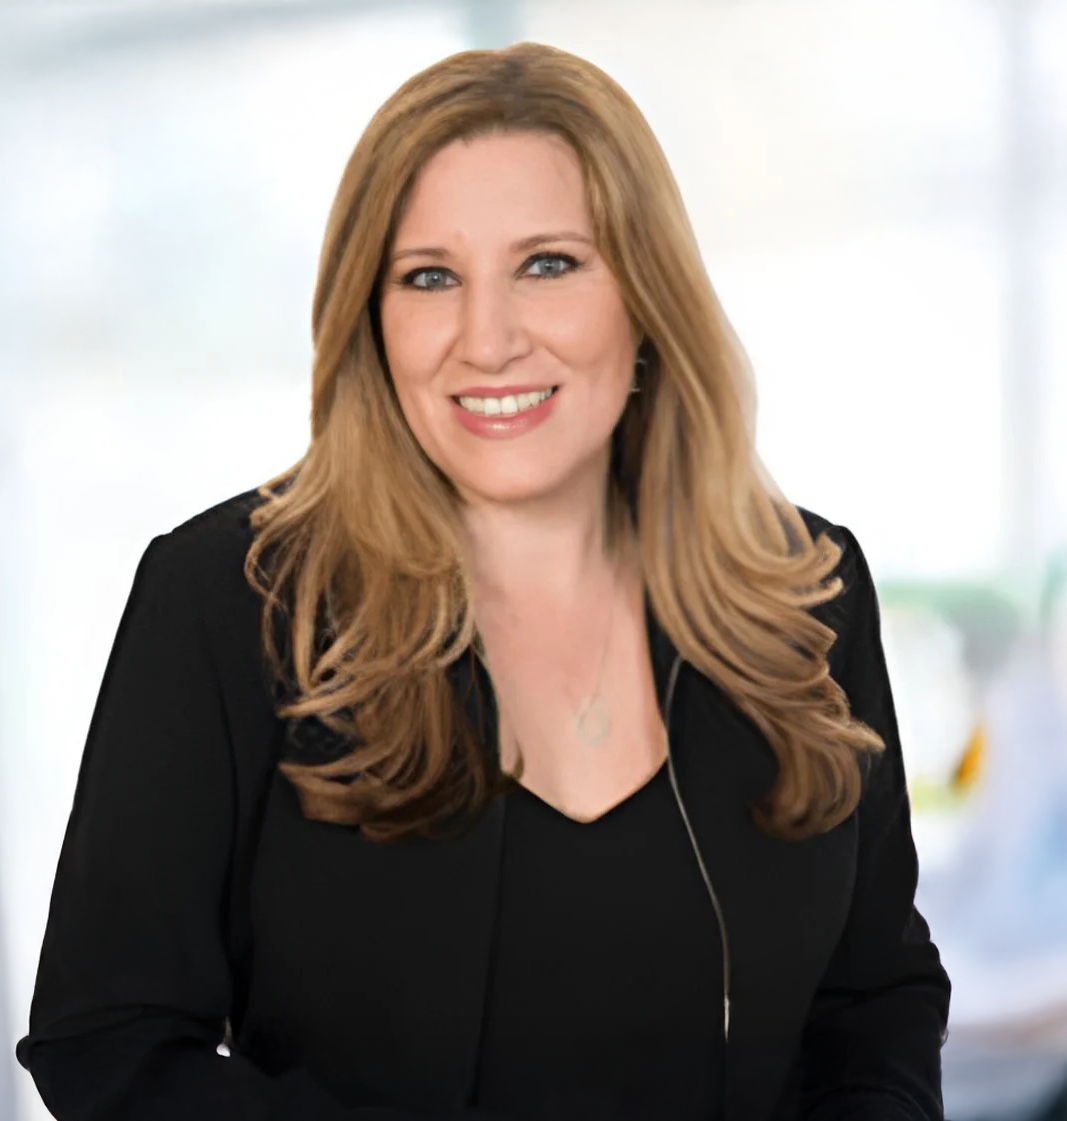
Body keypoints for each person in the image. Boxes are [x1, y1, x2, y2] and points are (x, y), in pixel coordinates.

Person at [15, 41, 950, 1121]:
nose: (487, 338)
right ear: (371, 316)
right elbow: (110, 1039)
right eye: (429, 277)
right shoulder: (228, 602)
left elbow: (874, 997)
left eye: (547, 264)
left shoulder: (804, 595)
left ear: (644, 293)